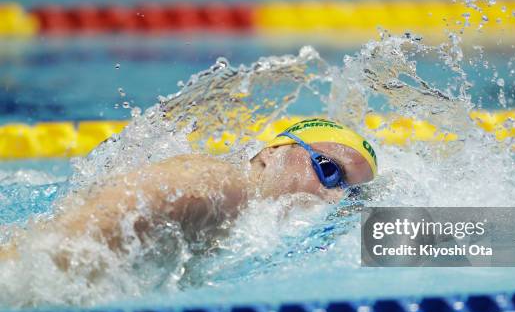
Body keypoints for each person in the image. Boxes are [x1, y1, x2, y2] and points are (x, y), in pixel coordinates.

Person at [0, 118, 377, 265]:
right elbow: (49, 254)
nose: (335, 198)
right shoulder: (218, 185)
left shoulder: (248, 222)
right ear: (271, 154)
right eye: (329, 172)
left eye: (352, 194)